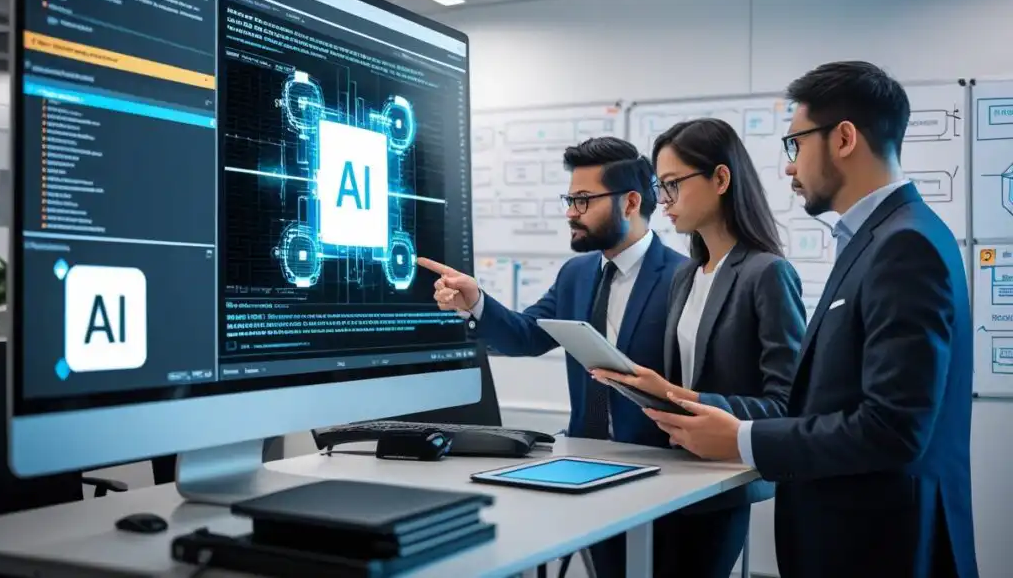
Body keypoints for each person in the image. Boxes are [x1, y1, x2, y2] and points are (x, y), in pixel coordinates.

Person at [649, 62, 978, 578]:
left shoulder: (905, 244)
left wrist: (742, 439)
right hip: (856, 536)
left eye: (795, 145)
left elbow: (893, 429)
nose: (788, 167)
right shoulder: (882, 238)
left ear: (843, 138)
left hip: (880, 546)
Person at [417, 136, 686, 577]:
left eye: (582, 200)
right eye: (570, 199)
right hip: (587, 467)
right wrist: (475, 300)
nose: (570, 213)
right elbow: (526, 336)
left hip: (663, 476)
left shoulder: (682, 275)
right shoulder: (576, 273)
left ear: (631, 201)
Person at [590, 118, 805, 578]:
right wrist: (652, 389)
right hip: (673, 476)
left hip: (721, 485)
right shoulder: (687, 275)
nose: (662, 202)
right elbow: (681, 384)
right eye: (658, 188)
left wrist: (684, 398)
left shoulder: (766, 273)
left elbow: (788, 404)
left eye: (672, 186)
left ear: (721, 179)